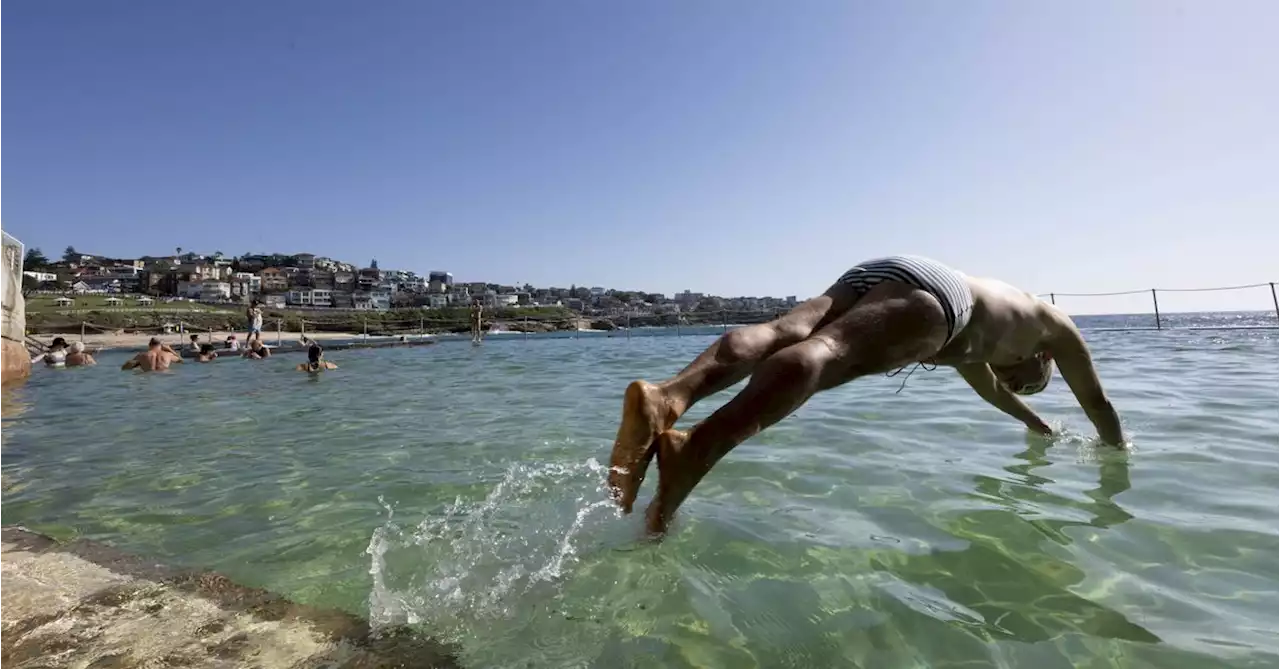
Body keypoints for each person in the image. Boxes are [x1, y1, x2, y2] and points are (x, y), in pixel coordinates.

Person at [607, 255, 1125, 535]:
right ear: (1044, 360)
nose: (1013, 382)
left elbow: (996, 395)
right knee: (827, 353)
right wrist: (1118, 455)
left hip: (896, 267)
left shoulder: (986, 345)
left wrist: (1037, 425)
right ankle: (693, 450)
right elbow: (1097, 403)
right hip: (943, 297)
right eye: (1026, 379)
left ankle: (667, 396)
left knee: (785, 330)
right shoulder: (1057, 328)